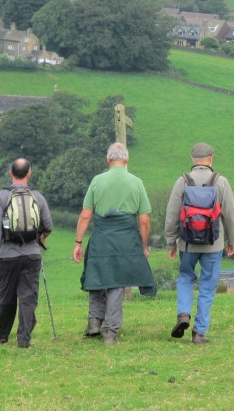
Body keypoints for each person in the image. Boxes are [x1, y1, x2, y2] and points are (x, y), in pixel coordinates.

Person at [73, 142, 156, 345]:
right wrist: (144, 245)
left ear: (108, 159)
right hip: (126, 240)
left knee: (96, 275)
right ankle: (110, 332)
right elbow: (144, 220)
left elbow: (85, 215)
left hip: (101, 237)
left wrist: (78, 242)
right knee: (118, 281)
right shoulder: (136, 182)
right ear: (127, 159)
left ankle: (94, 322)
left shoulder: (97, 181)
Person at [164, 142, 234, 345]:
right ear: (211, 158)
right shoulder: (221, 182)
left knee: (185, 278)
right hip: (213, 245)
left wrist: (171, 243)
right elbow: (231, 215)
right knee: (207, 286)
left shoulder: (182, 181)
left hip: (187, 244)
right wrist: (232, 241)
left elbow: (171, 214)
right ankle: (199, 332)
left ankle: (183, 314)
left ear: (193, 159)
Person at [0, 158, 53, 349]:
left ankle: (1, 334)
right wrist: (40, 239)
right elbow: (48, 225)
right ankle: (24, 339)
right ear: (29, 174)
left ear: (11, 173)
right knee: (28, 297)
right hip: (32, 254)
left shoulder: (1, 196)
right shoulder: (38, 197)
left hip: (7, 254)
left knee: (6, 296)